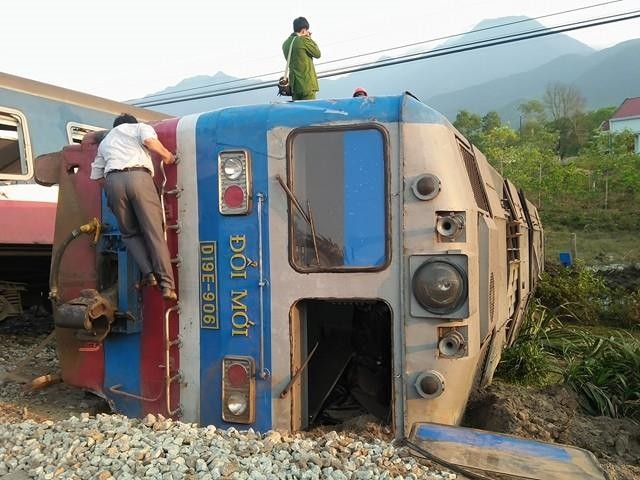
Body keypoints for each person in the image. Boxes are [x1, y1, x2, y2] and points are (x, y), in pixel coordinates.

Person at [90, 114, 177, 301]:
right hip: (139, 177)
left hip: (113, 182)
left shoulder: (105, 142)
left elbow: (97, 176)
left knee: (129, 234)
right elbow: (151, 143)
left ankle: (149, 274)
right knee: (153, 232)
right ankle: (167, 285)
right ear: (132, 122)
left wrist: (114, 185)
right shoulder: (138, 128)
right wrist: (169, 157)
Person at [282, 17, 321, 101]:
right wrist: (309, 39)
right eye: (307, 30)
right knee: (310, 112)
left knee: (298, 112)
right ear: (303, 30)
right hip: (307, 86)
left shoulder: (285, 44)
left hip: (294, 87)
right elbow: (317, 54)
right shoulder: (303, 41)